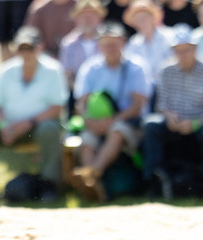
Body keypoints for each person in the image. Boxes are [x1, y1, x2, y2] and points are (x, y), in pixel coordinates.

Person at [0, 27, 67, 205]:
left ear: (40, 47)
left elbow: (56, 108)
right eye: (21, 49)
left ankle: (49, 186)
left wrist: (28, 123)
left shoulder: (53, 70)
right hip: (9, 128)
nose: (25, 53)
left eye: (29, 48)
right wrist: (3, 127)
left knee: (49, 128)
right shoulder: (6, 70)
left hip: (38, 127)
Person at [71, 22, 151, 202]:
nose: (111, 48)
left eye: (114, 43)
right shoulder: (90, 68)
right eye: (106, 44)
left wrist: (111, 121)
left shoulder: (136, 67)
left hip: (128, 123)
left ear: (123, 43)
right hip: (96, 123)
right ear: (99, 45)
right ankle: (93, 182)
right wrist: (88, 120)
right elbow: (81, 103)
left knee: (117, 131)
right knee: (87, 140)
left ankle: (91, 175)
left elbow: (137, 106)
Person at [140, 24, 203, 199]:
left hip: (198, 122)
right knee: (151, 125)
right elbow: (162, 104)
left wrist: (196, 122)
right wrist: (169, 117)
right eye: (178, 51)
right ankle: (153, 181)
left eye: (187, 50)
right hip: (172, 122)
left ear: (195, 49)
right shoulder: (166, 70)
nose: (183, 54)